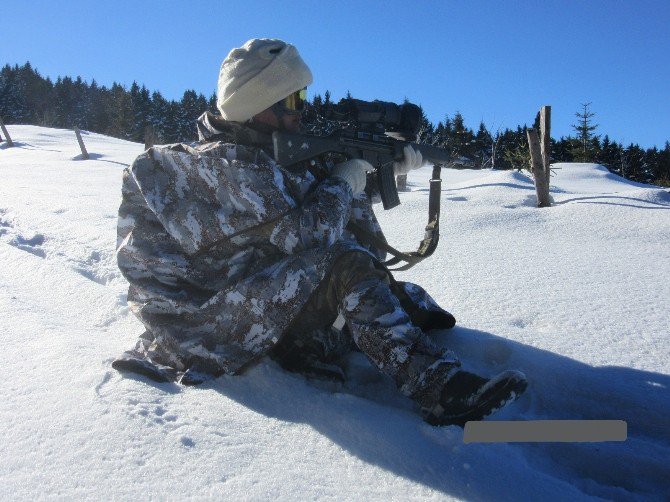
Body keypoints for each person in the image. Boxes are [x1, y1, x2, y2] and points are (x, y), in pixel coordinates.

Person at [113, 38, 527, 426]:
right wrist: (346, 178)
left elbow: (309, 209)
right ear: (258, 103)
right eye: (294, 99)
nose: (302, 111)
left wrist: (381, 170)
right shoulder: (215, 166)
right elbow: (311, 235)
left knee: (392, 290)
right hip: (200, 323)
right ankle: (436, 387)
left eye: (302, 98)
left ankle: (315, 344)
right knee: (346, 265)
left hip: (242, 296)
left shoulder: (259, 158)